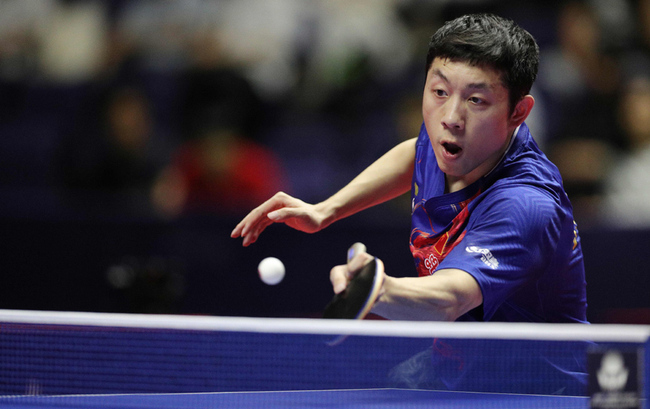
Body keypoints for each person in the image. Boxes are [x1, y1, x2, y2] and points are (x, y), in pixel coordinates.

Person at [231, 13, 587, 326]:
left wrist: (379, 289)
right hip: (457, 366)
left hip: (533, 388)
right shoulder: (453, 144)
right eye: (439, 91)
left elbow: (449, 299)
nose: (450, 118)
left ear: (518, 113)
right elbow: (414, 153)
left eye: (477, 100)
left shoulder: (526, 205)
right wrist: (325, 211)